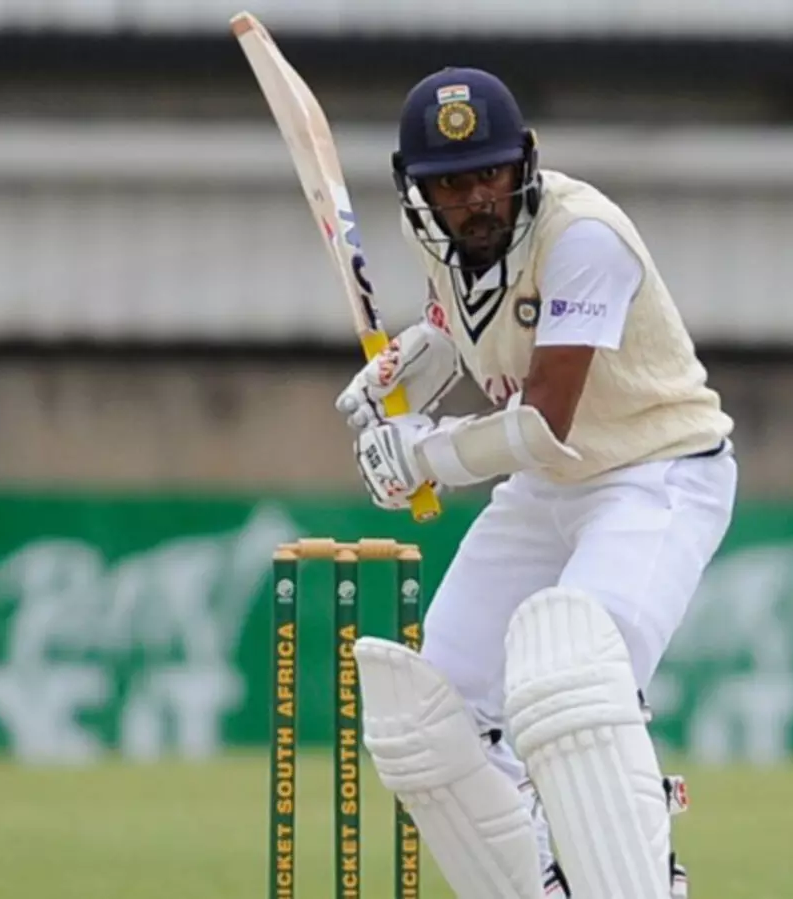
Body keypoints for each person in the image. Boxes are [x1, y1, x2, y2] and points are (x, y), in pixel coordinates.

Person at [333, 65, 736, 899]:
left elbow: (545, 419)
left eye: (491, 173)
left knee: (571, 677)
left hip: (654, 474)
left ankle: (642, 879)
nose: (477, 198)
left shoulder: (584, 238)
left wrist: (423, 453)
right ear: (420, 192)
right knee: (429, 717)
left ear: (525, 163)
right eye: (452, 185)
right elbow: (464, 316)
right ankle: (544, 882)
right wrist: (410, 370)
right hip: (549, 487)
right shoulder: (436, 235)